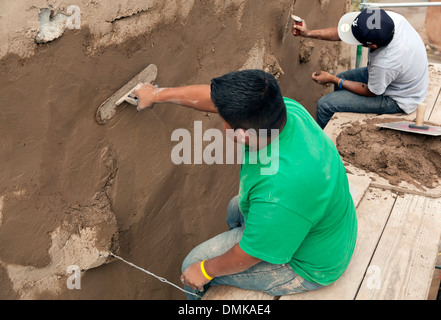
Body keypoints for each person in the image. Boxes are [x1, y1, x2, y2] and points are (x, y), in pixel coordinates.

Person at [134, 69, 357, 300]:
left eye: (223, 119)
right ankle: (260, 236)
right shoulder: (283, 111)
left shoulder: (278, 191)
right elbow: (217, 101)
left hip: (311, 265)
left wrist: (205, 270)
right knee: (235, 208)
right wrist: (156, 94)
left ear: (243, 135)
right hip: (324, 224)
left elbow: (250, 254)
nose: (220, 119)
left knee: (193, 264)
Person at [293, 8, 429, 129]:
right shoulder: (390, 20)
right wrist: (308, 33)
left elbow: (372, 91)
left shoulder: (385, 62)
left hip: (399, 98)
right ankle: (340, 121)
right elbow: (344, 32)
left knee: (325, 104)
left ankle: (326, 144)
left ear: (372, 46)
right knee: (344, 79)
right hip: (401, 78)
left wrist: (334, 80)